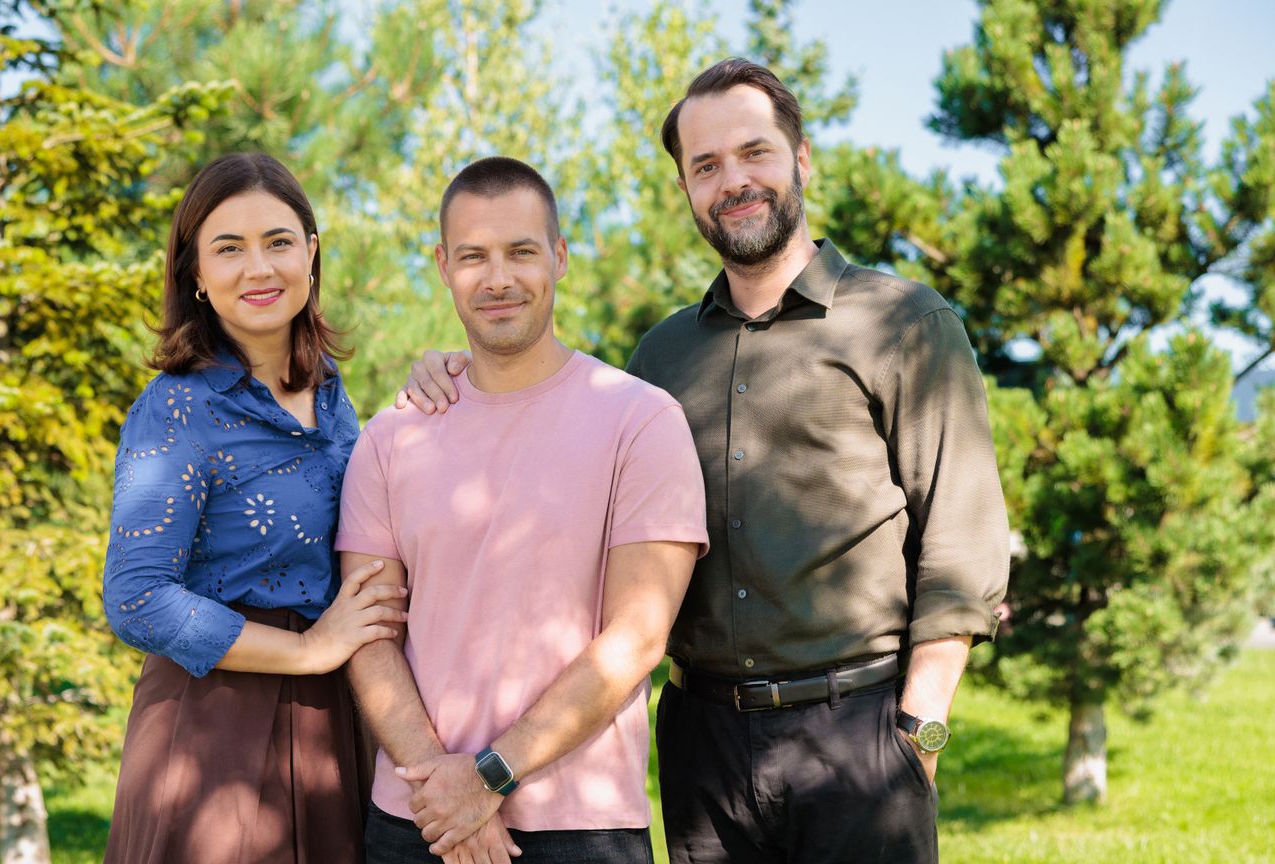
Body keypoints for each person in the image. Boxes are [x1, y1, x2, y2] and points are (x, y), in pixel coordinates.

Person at [402, 59, 1010, 863]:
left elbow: (962, 541)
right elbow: (551, 413)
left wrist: (918, 731)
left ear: (801, 158)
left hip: (858, 735)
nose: (734, 181)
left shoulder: (905, 323)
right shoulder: (660, 356)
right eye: (706, 166)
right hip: (703, 746)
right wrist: (453, 371)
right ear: (687, 188)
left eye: (754, 153)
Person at [336, 156, 709, 864]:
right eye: (474, 255)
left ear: (559, 257)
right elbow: (369, 634)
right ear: (444, 266)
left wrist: (489, 776)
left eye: (521, 252)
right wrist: (443, 786)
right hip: (416, 818)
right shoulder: (391, 437)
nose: (498, 278)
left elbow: (637, 636)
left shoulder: (639, 421)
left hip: (580, 825)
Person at [101, 152, 406, 864]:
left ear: (311, 253)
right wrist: (307, 651)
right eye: (229, 248)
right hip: (214, 732)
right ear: (196, 275)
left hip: (332, 721)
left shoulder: (332, 396)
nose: (259, 268)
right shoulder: (176, 408)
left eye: (277, 241)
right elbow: (136, 598)